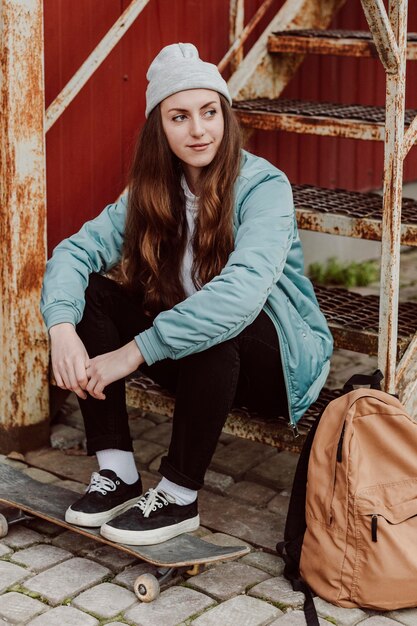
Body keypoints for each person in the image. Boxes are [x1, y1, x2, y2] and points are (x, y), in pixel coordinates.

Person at [40, 43, 333, 546]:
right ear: (161, 127)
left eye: (209, 112)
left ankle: (178, 496)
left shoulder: (264, 185)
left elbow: (239, 296)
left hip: (279, 362)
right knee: (88, 292)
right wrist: (62, 328)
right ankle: (117, 473)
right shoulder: (152, 190)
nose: (199, 131)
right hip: (194, 357)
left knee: (218, 323)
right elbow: (74, 252)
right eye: (180, 117)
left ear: (225, 115)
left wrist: (131, 353)